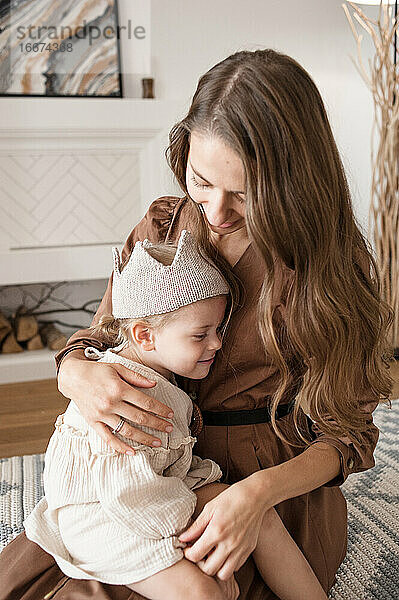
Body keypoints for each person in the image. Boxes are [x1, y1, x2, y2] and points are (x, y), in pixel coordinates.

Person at [0, 48, 393, 600]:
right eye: (202, 180)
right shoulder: (166, 226)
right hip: (149, 456)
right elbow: (106, 334)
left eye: (244, 193)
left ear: (293, 182)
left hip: (261, 472)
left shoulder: (330, 263)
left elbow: (349, 434)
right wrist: (74, 373)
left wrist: (255, 495)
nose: (215, 210)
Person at [22, 231, 330, 600]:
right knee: (203, 591)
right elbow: (128, 495)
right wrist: (188, 548)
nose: (216, 343)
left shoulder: (161, 376)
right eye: (201, 335)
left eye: (219, 330)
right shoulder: (129, 396)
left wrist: (217, 497)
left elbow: (168, 464)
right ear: (145, 336)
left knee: (257, 515)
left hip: (155, 489)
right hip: (102, 515)